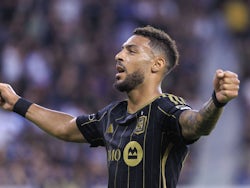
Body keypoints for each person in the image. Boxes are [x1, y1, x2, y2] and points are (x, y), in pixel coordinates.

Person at [0, 26, 240, 188]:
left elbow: (197, 124)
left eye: (131, 50)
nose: (119, 55)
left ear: (156, 65)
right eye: (122, 49)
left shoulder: (166, 109)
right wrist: (16, 102)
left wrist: (217, 101)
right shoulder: (112, 115)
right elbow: (66, 128)